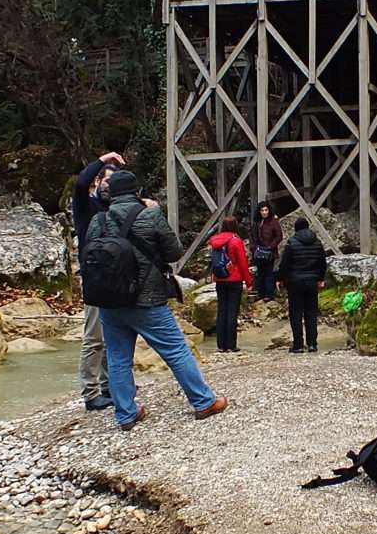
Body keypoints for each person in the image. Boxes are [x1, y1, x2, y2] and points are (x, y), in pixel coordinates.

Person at [84, 170, 226, 431]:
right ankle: (203, 401)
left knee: (117, 358)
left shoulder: (98, 220)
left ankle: (126, 414)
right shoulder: (149, 214)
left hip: (110, 302)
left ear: (110, 194)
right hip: (147, 299)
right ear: (137, 191)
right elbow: (174, 251)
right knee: (175, 350)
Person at [72, 152, 123, 411]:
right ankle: (90, 393)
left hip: (114, 279)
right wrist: (103, 160)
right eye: (106, 181)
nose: (110, 187)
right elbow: (80, 184)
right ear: (97, 182)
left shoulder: (114, 208)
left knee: (111, 335)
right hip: (93, 278)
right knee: (93, 337)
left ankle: (108, 386)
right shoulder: (85, 205)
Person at [277, 217, 327, 353]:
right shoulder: (317, 243)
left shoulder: (291, 243)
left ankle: (298, 344)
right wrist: (321, 278)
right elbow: (322, 262)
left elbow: (285, 264)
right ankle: (312, 344)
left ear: (296, 228)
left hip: (295, 282)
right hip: (312, 282)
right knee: (311, 313)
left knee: (296, 313)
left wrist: (280, 279)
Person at [210, 216, 253, 352]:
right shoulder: (236, 241)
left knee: (222, 310)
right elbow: (242, 263)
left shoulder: (215, 240)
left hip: (220, 279)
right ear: (235, 226)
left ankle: (220, 345)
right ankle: (231, 344)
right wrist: (249, 281)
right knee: (232, 312)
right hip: (234, 279)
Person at [251, 201, 281, 302]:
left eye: (266, 210)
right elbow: (253, 236)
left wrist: (270, 246)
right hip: (258, 251)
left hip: (270, 252)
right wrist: (254, 248)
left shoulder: (273, 222)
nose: (264, 212)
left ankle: (269, 294)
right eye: (262, 210)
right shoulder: (257, 223)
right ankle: (260, 293)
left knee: (269, 273)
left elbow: (279, 236)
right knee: (260, 273)